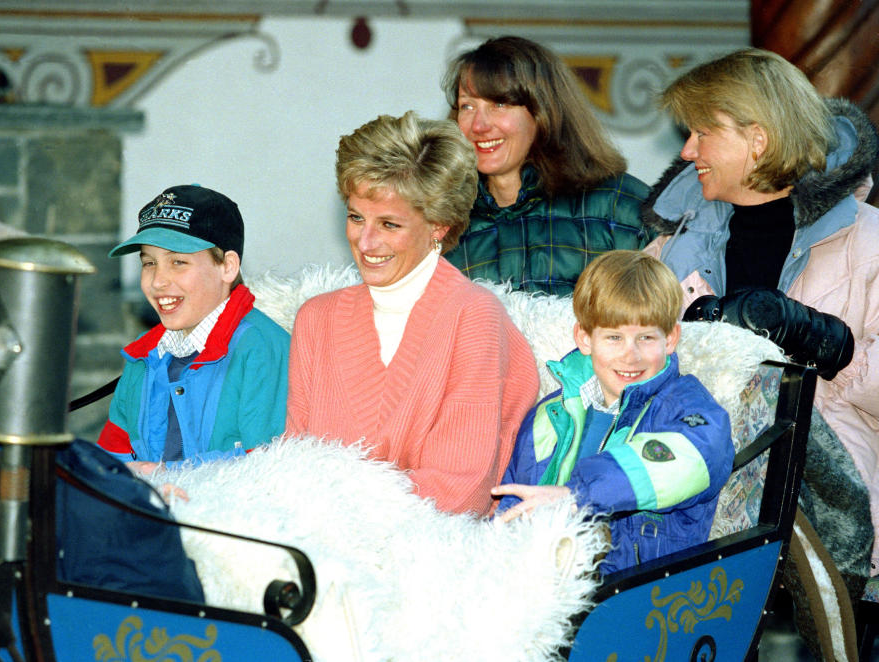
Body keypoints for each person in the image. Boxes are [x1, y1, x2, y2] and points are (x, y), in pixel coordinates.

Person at [642, 48, 879, 578]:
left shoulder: (870, 240)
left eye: (703, 132)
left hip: (836, 544)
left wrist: (829, 351)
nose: (686, 151)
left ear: (758, 139)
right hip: (693, 532)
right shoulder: (668, 248)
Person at [285, 111, 540, 515]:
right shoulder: (315, 319)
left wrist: (338, 506)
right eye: (355, 217)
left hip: (429, 558)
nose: (365, 241)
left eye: (388, 224)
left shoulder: (474, 317)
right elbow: (293, 467)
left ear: (438, 225)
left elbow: (461, 492)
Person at [493, 250, 733, 573]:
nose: (629, 356)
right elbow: (514, 499)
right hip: (540, 582)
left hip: (641, 598)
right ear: (585, 338)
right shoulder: (551, 413)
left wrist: (576, 495)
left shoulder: (689, 408)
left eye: (646, 337)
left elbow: (697, 457)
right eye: (614, 337)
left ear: (671, 338)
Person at [97, 184, 289, 474]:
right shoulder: (141, 356)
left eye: (178, 262)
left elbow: (270, 468)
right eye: (149, 263)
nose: (158, 281)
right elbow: (109, 458)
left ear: (228, 266)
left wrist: (167, 477)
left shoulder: (261, 349)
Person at [440, 35, 650, 296]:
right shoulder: (441, 221)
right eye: (467, 105)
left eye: (500, 104)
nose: (479, 126)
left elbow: (677, 324)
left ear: (544, 112)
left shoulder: (623, 207)